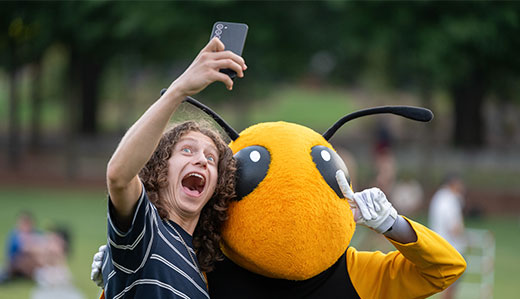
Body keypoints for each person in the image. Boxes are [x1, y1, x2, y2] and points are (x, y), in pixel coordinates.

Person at [100, 37, 246, 298]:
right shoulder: (145, 232)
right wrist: (179, 90)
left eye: (211, 159)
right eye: (187, 150)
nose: (201, 160)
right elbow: (119, 176)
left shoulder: (200, 273)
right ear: (159, 169)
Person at [429, 173, 467, 299]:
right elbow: (454, 228)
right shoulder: (451, 199)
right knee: (451, 284)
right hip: (452, 247)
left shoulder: (438, 197)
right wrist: (466, 237)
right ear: (453, 183)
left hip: (438, 244)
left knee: (445, 283)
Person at [2, 211, 40, 282]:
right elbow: (24, 249)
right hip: (16, 264)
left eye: (27, 223)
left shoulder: (36, 233)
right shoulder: (15, 235)